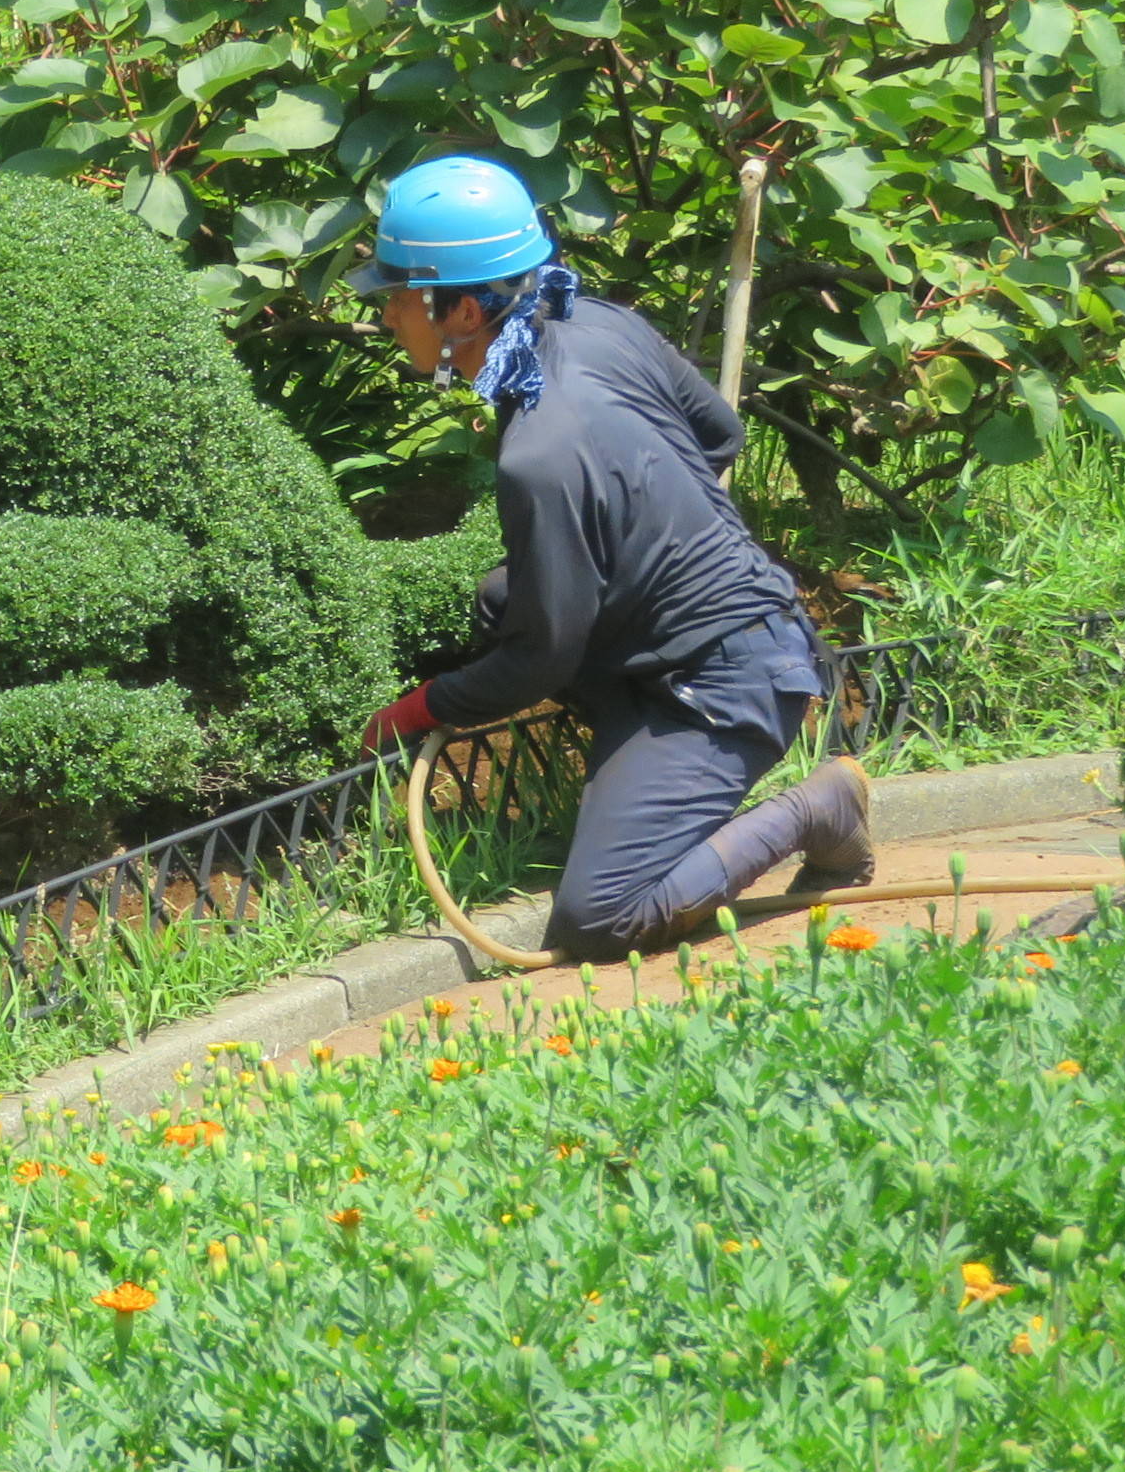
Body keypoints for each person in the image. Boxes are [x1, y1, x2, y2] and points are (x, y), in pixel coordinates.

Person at [352, 154, 872, 957]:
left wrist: (422, 708)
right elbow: (720, 435)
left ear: (459, 310)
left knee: (600, 918)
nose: (386, 317)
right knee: (505, 595)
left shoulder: (540, 455)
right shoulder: (595, 320)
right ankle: (644, 771)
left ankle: (820, 809)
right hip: (724, 630)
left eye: (396, 298)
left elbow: (539, 660)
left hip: (728, 680)